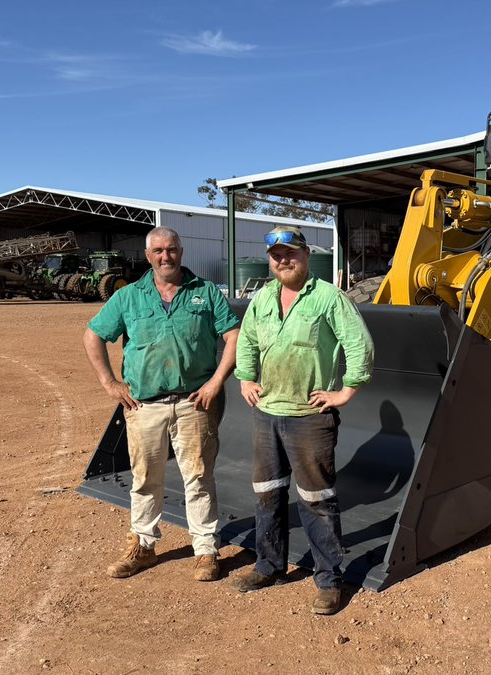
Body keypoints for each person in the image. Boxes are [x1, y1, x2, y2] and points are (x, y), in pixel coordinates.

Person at [230, 225, 374, 616]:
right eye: (276, 255)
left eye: (290, 252)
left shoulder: (328, 297)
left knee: (316, 499)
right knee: (267, 493)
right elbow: (247, 340)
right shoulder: (263, 298)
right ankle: (268, 566)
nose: (282, 260)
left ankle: (329, 580)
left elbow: (358, 343)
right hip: (267, 414)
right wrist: (246, 376)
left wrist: (346, 389)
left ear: (306, 254)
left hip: (310, 418)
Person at [83, 226, 239, 582]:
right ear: (148, 255)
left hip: (194, 404)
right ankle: (143, 546)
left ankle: (205, 550)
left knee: (198, 477)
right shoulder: (129, 297)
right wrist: (110, 383)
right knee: (144, 478)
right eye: (158, 251)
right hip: (144, 406)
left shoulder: (205, 293)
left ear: (181, 252)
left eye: (171, 250)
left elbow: (233, 337)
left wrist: (216, 382)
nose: (165, 256)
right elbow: (92, 335)